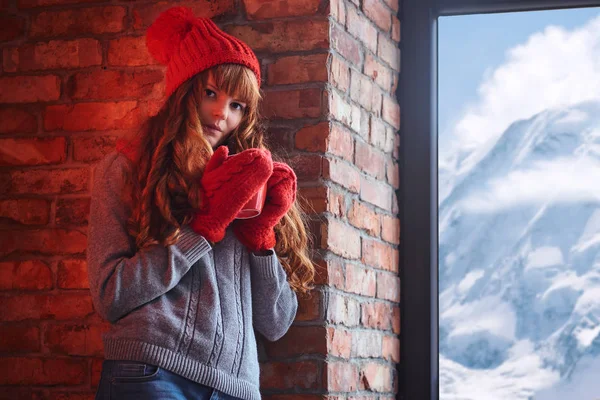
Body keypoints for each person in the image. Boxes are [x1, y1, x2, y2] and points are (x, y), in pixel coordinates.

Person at [87, 6, 315, 400]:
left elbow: (276, 322)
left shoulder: (252, 182)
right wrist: (204, 227)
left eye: (236, 105)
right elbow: (111, 294)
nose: (219, 113)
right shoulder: (126, 169)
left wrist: (260, 238)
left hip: (234, 388)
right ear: (184, 90)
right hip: (152, 374)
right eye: (210, 92)